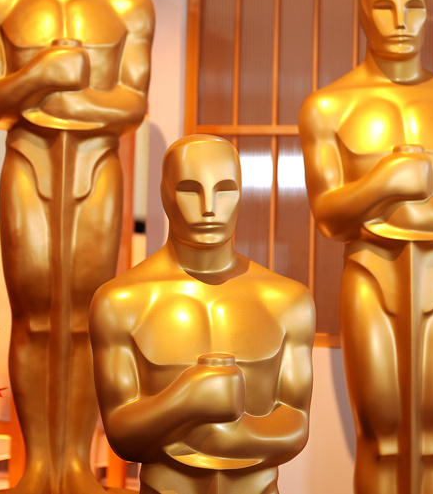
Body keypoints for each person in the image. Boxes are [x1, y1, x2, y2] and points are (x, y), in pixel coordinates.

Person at [0, 0, 153, 494]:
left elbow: (132, 105)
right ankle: (36, 465)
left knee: (87, 319)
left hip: (98, 170)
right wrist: (46, 71)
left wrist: (64, 105)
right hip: (28, 165)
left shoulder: (129, 5)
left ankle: (78, 463)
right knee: (35, 319)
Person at [298, 0, 433, 494]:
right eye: (385, 7)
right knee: (379, 438)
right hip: (370, 278)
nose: (400, 20)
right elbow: (329, 217)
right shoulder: (328, 108)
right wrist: (384, 182)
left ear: (430, 13)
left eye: (414, 7)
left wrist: (402, 215)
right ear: (363, 14)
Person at [89, 135, 315, 494]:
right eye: (190, 190)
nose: (209, 206)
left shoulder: (288, 301)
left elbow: (296, 426)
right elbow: (122, 436)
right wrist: (186, 400)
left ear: (242, 194)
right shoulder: (120, 302)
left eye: (224, 190)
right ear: (165, 196)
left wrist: (230, 436)